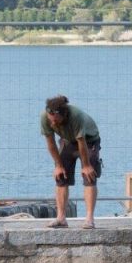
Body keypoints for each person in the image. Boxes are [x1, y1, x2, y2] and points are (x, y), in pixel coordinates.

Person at [40, 95, 102, 229]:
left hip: (88, 141)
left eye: (56, 121)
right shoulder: (45, 117)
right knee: (60, 176)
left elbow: (82, 142)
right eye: (51, 120)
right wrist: (59, 165)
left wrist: (86, 166)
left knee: (89, 176)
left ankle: (89, 219)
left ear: (64, 115)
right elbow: (50, 143)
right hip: (67, 141)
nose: (53, 124)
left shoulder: (76, 116)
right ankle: (61, 218)